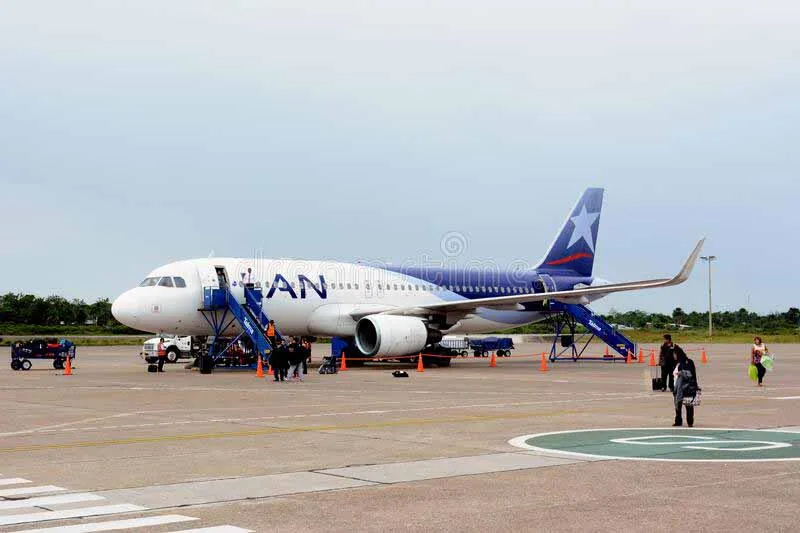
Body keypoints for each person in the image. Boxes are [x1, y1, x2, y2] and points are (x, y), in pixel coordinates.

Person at [672, 346, 699, 427]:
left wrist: (682, 373)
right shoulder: (677, 363)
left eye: (674, 354)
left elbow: (690, 374)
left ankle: (690, 422)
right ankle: (678, 421)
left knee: (688, 406)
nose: (674, 356)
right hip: (678, 387)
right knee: (678, 405)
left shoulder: (687, 362)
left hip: (687, 387)